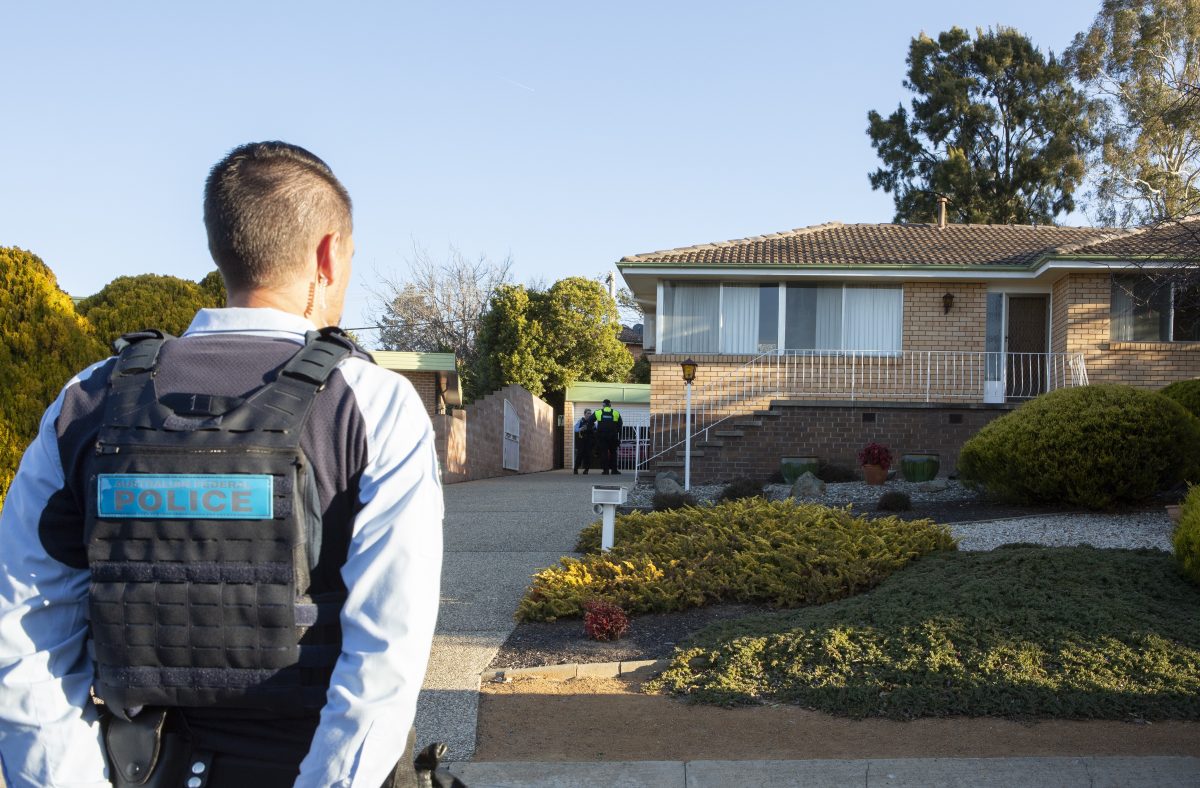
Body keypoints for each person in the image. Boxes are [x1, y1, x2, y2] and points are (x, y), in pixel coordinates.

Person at [0, 142, 444, 788]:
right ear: (328, 257)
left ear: (224, 248)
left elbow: (21, 640)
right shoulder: (374, 410)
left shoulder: (86, 404)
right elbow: (384, 668)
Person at [591, 398, 623, 475]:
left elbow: (590, 421)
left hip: (602, 437)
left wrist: (594, 431)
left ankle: (605, 471)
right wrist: (616, 432)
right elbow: (620, 424)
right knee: (613, 453)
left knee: (604, 453)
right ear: (610, 405)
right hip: (613, 437)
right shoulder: (616, 413)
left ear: (603, 405)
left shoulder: (598, 412)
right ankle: (614, 470)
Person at [572, 408, 594, 475]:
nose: (589, 415)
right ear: (584, 414)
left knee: (588, 456)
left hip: (589, 441)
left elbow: (596, 430)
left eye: (590, 413)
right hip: (582, 441)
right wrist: (581, 428)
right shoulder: (581, 421)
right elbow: (575, 429)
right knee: (579, 455)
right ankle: (575, 469)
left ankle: (586, 470)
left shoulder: (593, 422)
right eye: (588, 413)